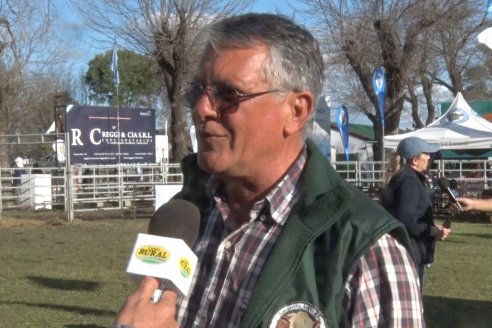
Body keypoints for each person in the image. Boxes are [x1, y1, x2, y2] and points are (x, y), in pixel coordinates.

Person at [115, 13, 424, 327]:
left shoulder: (364, 251)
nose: (201, 109)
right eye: (197, 92)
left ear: (296, 111)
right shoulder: (186, 215)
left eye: (227, 94)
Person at [382, 136, 451, 289]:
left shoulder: (404, 178)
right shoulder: (409, 181)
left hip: (405, 249)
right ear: (414, 160)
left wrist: (432, 226)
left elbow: (409, 214)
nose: (429, 157)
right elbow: (405, 218)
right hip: (410, 250)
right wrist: (431, 230)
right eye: (426, 153)